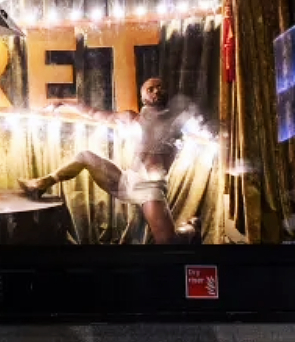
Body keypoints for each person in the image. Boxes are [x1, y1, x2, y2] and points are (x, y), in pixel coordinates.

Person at [17, 77, 201, 244]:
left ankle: (191, 228)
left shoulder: (178, 121)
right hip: (127, 181)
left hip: (150, 188)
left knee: (168, 243)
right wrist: (64, 102)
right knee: (85, 156)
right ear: (143, 95)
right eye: (150, 88)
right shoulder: (132, 118)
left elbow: (201, 128)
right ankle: (42, 184)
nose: (156, 91)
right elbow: (93, 113)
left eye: (160, 88)